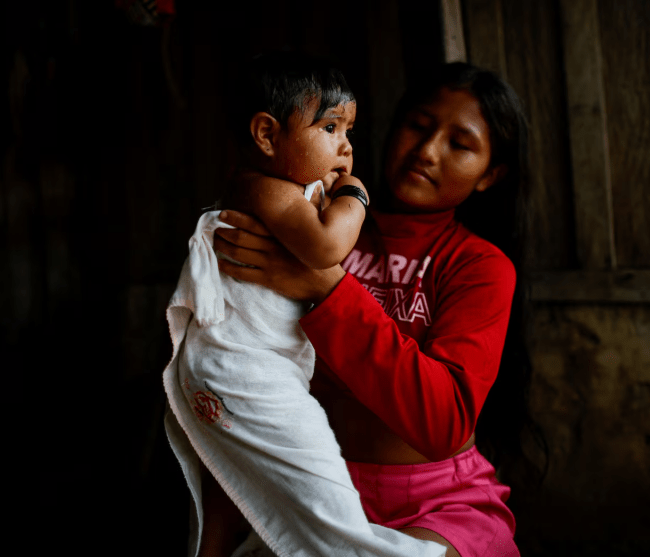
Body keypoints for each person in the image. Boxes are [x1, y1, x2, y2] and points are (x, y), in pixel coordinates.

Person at [215, 62, 527, 557]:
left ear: (491, 175)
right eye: (418, 126)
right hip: (307, 486)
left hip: (436, 502)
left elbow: (443, 424)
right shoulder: (311, 221)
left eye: (459, 144)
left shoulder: (480, 267)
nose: (426, 151)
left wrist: (326, 286)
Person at [162, 52, 445, 557]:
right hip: (241, 371)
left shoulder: (287, 190)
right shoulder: (266, 189)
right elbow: (326, 248)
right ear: (267, 136)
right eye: (331, 127)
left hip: (241, 369)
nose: (345, 145)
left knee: (234, 498)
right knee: (324, 492)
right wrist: (355, 196)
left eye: (349, 130)